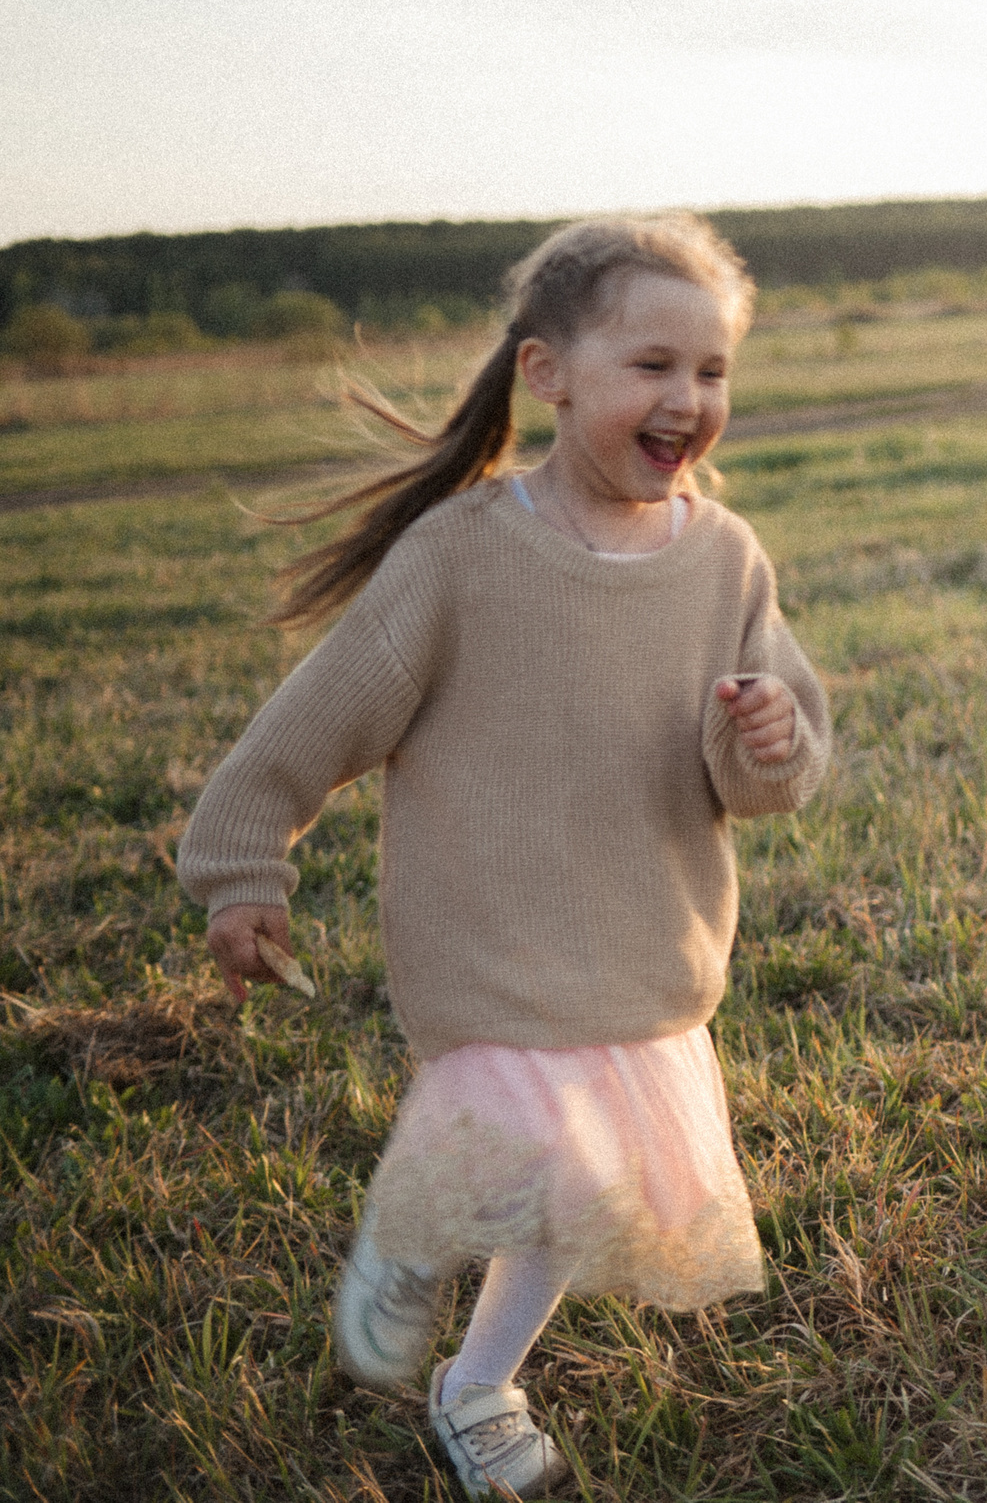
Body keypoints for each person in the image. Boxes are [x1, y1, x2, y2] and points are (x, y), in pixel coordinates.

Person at [176, 214, 830, 1498]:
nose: (688, 398)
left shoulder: (723, 559)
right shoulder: (463, 552)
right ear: (550, 372)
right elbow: (320, 717)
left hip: (642, 950)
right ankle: (420, 1226)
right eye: (653, 364)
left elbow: (772, 779)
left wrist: (768, 733)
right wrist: (242, 864)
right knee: (537, 1153)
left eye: (712, 371)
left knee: (576, 1197)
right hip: (491, 936)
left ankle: (476, 1380)